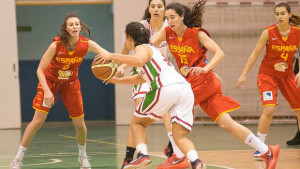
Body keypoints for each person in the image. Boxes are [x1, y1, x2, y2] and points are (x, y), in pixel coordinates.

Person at [151, 1, 280, 169]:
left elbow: (220, 53)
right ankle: (267, 151)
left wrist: (206, 69)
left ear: (182, 16)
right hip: (198, 84)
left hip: (201, 83)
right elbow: (148, 47)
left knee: (171, 108)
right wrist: (129, 62)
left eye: (173, 17)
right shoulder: (168, 32)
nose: (170, 21)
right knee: (226, 123)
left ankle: (178, 155)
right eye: (167, 18)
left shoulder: (196, 33)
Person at [97, 21, 205, 169]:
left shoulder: (141, 48)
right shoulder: (152, 51)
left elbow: (138, 60)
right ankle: (196, 162)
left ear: (129, 38)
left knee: (137, 122)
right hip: (184, 90)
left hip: (166, 87)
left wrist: (112, 55)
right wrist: (116, 80)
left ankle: (142, 155)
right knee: (180, 136)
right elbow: (140, 78)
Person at [10, 14, 110, 169]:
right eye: (71, 25)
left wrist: (118, 66)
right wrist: (47, 91)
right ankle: (18, 159)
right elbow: (40, 70)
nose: (75, 27)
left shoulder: (86, 44)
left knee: (80, 124)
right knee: (37, 122)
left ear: (80, 27)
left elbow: (108, 54)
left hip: (70, 84)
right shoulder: (56, 45)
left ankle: (82, 156)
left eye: (77, 24)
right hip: (50, 82)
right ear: (66, 28)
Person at [117, 1, 190, 169]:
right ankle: (130, 157)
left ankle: (174, 153)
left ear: (164, 9)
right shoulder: (140, 27)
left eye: (160, 6)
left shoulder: (169, 26)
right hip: (141, 73)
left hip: (160, 75)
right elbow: (128, 51)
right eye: (153, 6)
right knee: (138, 114)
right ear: (148, 9)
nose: (156, 9)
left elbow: (183, 48)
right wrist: (120, 65)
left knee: (166, 115)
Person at [236, 2, 300, 156]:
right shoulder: (268, 32)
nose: (280, 16)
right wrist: (244, 74)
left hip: (287, 75)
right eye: (277, 14)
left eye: (283, 13)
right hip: (267, 75)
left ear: (290, 15)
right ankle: (260, 147)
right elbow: (254, 54)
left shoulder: (297, 32)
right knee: (269, 109)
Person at [286, 47, 300, 145]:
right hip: (297, 66)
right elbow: (294, 53)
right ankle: (299, 133)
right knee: (298, 101)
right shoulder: (296, 33)